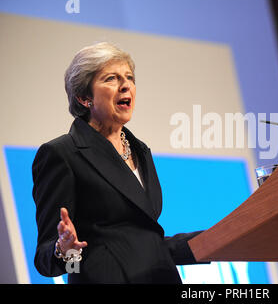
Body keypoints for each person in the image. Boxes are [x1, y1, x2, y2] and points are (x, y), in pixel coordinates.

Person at [32, 42, 205, 283]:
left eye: (129, 78)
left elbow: (143, 241)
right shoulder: (61, 154)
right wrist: (67, 250)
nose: (126, 85)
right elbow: (46, 260)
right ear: (84, 97)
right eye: (111, 78)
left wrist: (214, 240)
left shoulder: (140, 150)